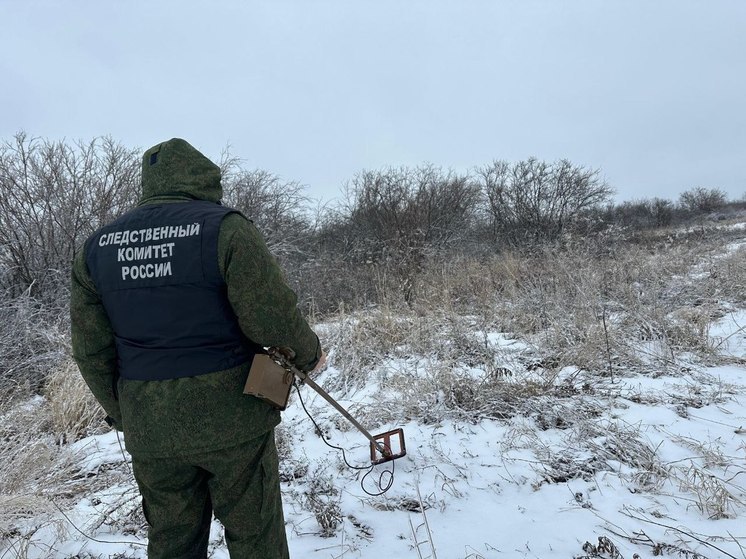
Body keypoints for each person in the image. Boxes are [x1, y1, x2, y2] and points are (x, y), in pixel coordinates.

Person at [70, 138, 325, 559]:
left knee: (172, 541)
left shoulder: (97, 249)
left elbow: (90, 351)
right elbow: (271, 316)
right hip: (234, 420)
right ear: (205, 179)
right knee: (255, 536)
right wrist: (308, 355)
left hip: (150, 426)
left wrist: (124, 412)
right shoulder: (224, 228)